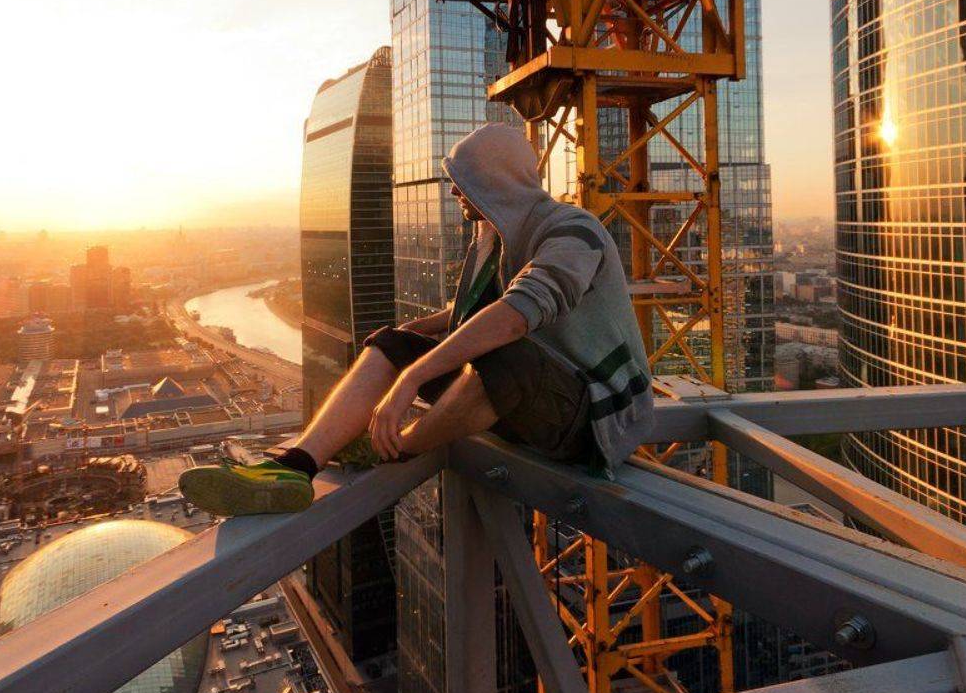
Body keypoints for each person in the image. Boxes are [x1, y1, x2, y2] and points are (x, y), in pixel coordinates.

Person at [179, 122, 654, 516]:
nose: (454, 190)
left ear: (495, 181)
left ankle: (390, 448)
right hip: (533, 402)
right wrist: (411, 339)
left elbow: (514, 317)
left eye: (463, 179)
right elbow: (470, 314)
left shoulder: (573, 230)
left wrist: (413, 378)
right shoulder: (494, 239)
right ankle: (297, 464)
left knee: (502, 355)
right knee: (392, 342)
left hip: (595, 421)